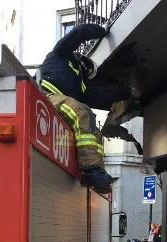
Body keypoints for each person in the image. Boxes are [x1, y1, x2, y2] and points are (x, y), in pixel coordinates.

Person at [40, 23, 139, 194]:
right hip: (48, 98)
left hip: (64, 104)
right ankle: (91, 170)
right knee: (82, 112)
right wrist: (102, 31)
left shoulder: (81, 86)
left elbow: (100, 96)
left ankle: (98, 172)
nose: (86, 75)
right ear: (82, 62)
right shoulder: (60, 55)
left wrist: (125, 92)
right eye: (87, 71)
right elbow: (77, 34)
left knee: (93, 127)